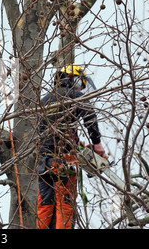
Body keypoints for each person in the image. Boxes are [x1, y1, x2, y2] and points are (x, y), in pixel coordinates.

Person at [37, 64, 107, 229]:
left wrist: (75, 142)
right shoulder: (76, 96)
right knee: (65, 205)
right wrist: (97, 144)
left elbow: (51, 130)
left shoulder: (43, 100)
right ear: (74, 79)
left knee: (45, 204)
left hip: (42, 162)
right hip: (64, 160)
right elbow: (90, 118)